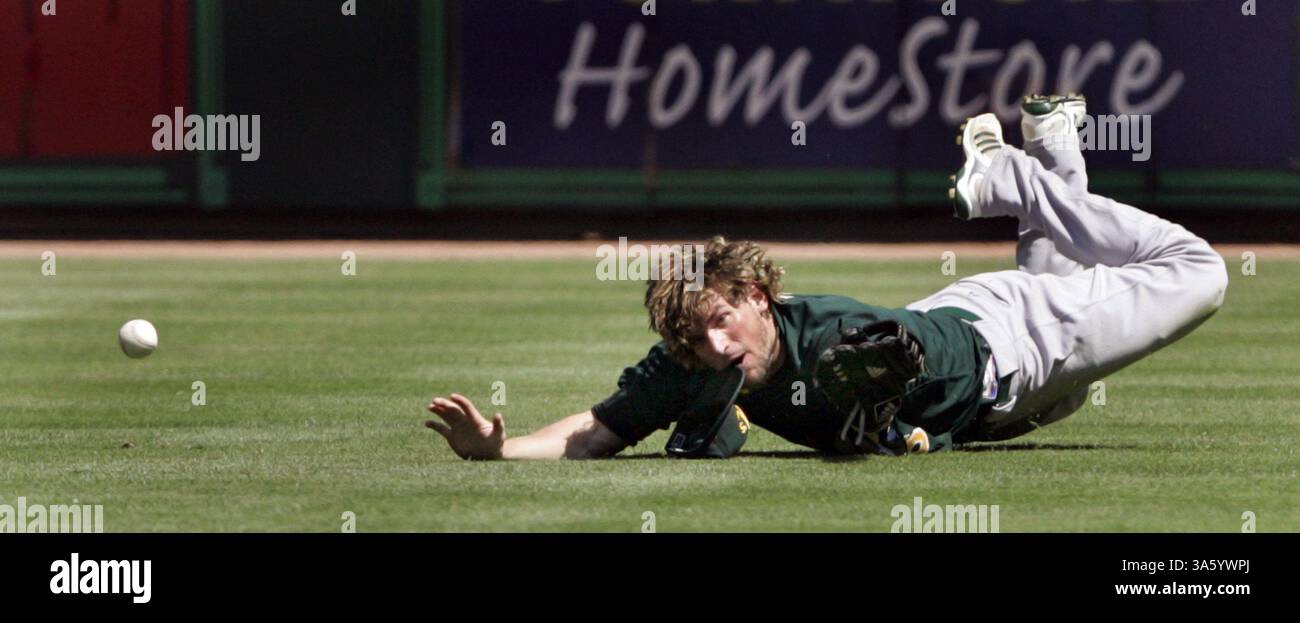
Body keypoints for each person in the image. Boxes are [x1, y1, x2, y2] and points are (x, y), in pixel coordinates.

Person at [425, 94, 1228, 459]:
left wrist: (878, 395)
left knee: (1201, 271)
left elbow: (915, 350)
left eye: (720, 316)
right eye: (694, 334)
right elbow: (598, 429)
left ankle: (1012, 177)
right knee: (1067, 359)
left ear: (758, 296)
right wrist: (499, 450)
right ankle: (1054, 147)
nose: (712, 339)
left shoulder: (833, 333)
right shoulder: (697, 362)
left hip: (1010, 346)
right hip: (995, 351)